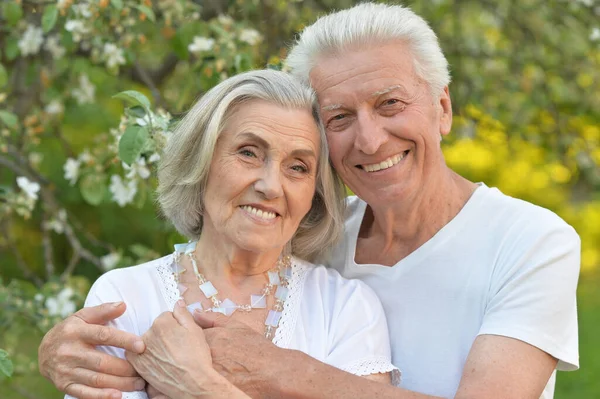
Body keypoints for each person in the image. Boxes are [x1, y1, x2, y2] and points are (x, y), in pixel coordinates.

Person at [39, 3, 580, 399]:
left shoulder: (531, 242)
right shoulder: (313, 232)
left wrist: (257, 371)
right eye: (340, 118)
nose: (369, 140)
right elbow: (205, 255)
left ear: (442, 108)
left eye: (390, 104)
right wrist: (59, 351)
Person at [52, 69, 397, 399]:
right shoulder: (124, 297)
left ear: (314, 194)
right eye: (248, 153)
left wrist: (200, 387)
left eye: (297, 167)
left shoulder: (346, 308)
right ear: (200, 163)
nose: (270, 186)